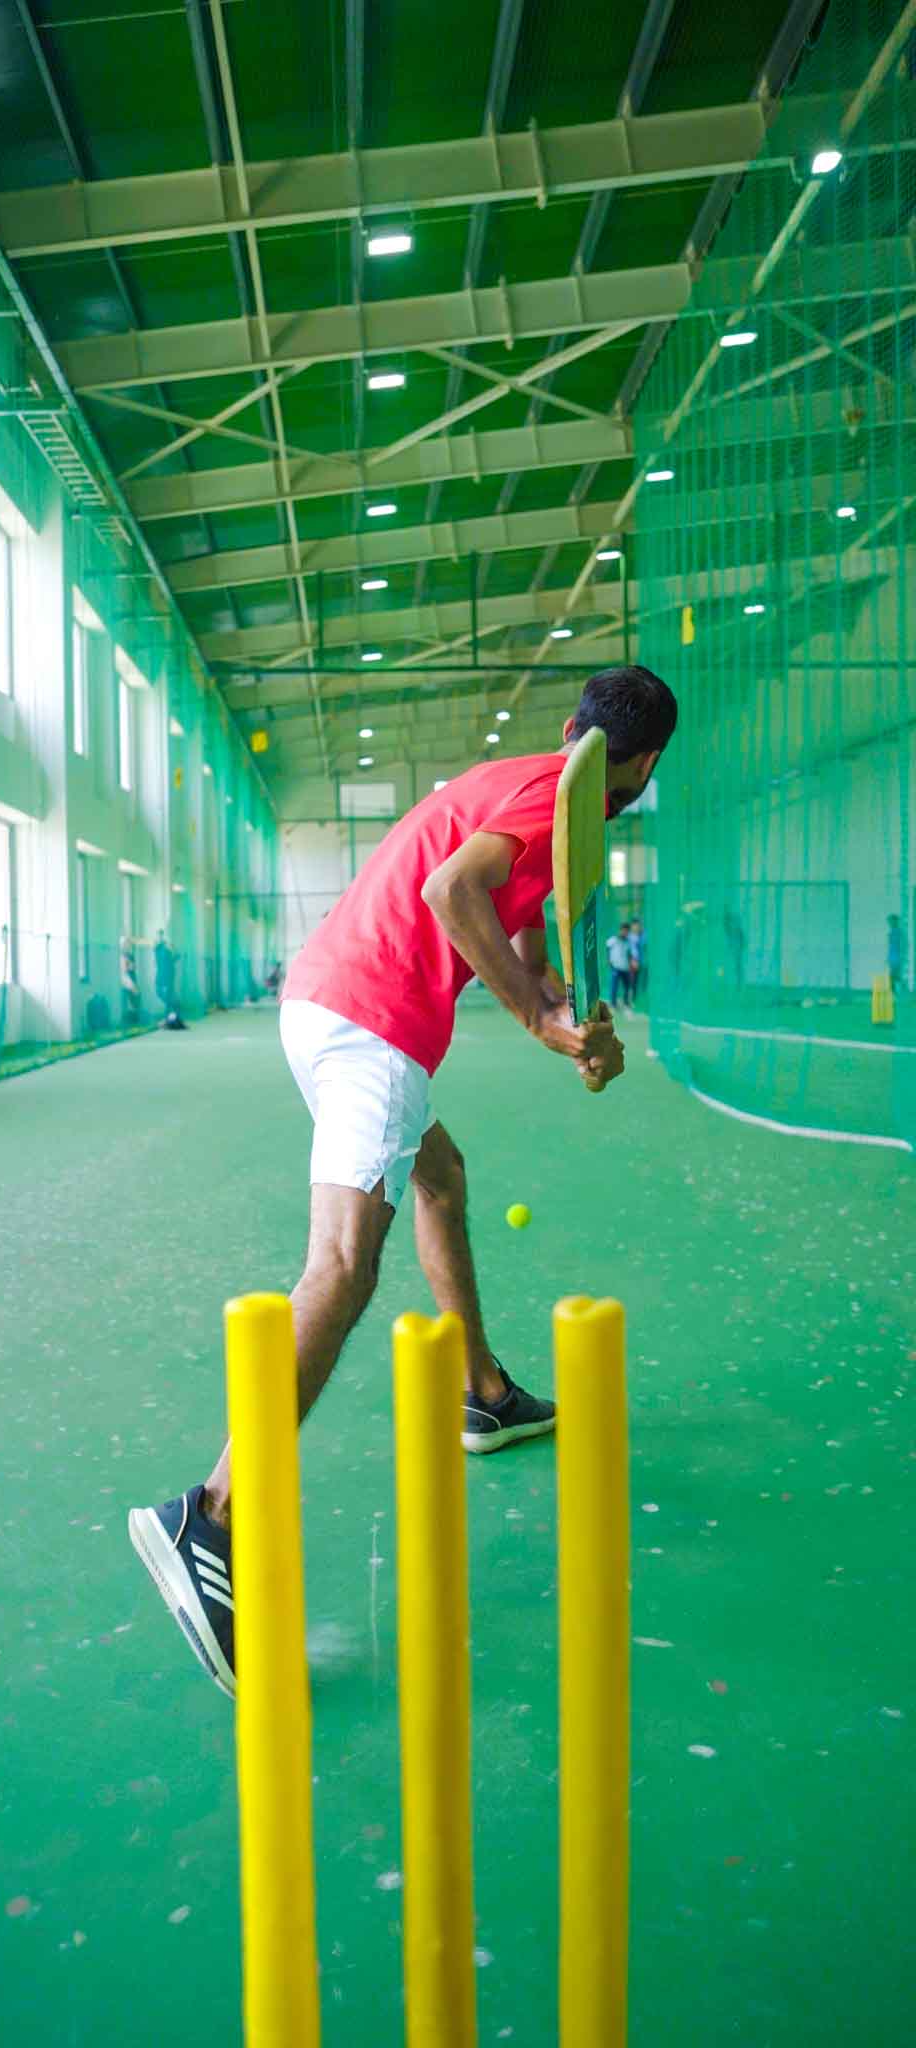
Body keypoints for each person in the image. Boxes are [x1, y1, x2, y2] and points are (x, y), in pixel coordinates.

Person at [129, 665, 678, 1696]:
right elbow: (449, 891)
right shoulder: (549, 790)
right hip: (371, 1024)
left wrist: (564, 1015)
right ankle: (209, 1517)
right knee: (340, 1266)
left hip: (337, 1006)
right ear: (643, 766)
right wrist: (536, 1020)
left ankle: (482, 1390)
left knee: (442, 1177)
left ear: (579, 731)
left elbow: (516, 927)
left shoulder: (540, 794)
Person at [606, 922, 633, 1010]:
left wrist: (630, 964)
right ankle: (613, 1003)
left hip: (625, 968)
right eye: (623, 930)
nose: (625, 933)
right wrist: (609, 960)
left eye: (627, 931)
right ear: (620, 930)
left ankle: (626, 1003)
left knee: (627, 986)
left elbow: (629, 954)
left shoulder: (628, 942)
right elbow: (608, 949)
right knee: (614, 986)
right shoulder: (613, 940)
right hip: (616, 967)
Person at [154, 929, 179, 1015]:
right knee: (158, 991)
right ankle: (175, 1005)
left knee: (169, 993)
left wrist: (172, 947)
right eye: (158, 935)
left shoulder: (168, 947)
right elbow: (155, 945)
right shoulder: (158, 947)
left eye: (161, 935)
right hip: (160, 972)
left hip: (169, 973)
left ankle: (168, 1012)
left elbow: (177, 956)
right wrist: (163, 941)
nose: (160, 937)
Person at [120, 935, 142, 1028]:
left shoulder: (130, 955)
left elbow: (132, 967)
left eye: (128, 943)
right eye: (126, 943)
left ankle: (134, 1018)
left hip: (131, 977)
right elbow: (126, 968)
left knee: (135, 996)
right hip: (126, 978)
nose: (128, 945)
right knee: (132, 997)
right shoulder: (123, 955)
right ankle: (131, 1019)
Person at [627, 917, 646, 1005]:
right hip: (632, 963)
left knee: (643, 982)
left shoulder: (643, 935)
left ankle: (641, 1000)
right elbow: (628, 951)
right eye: (635, 926)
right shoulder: (629, 937)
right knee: (633, 982)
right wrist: (632, 961)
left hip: (643, 962)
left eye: (638, 925)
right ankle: (633, 1000)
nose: (636, 927)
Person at [887, 913, 905, 994]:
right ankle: (893, 990)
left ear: (895, 921)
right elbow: (890, 945)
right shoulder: (892, 931)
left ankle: (896, 990)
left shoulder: (898, 932)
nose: (890, 923)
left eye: (891, 921)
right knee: (893, 974)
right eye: (889, 921)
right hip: (892, 955)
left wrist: (901, 955)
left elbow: (901, 944)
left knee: (895, 974)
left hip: (896, 955)